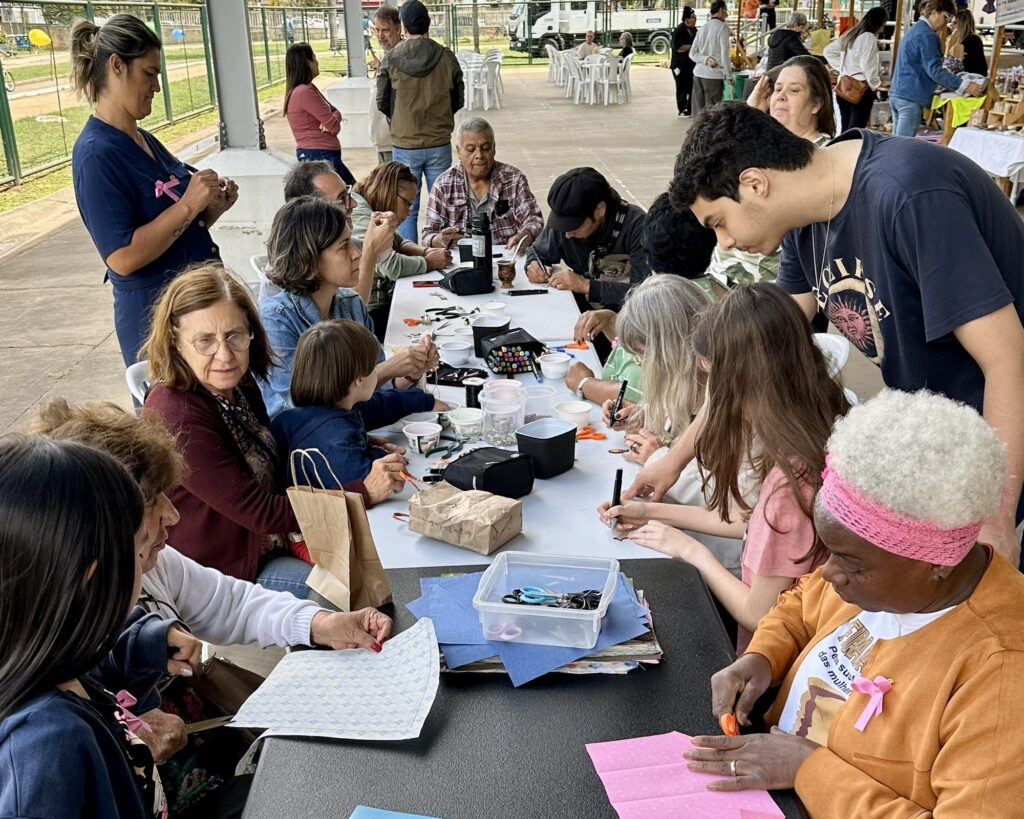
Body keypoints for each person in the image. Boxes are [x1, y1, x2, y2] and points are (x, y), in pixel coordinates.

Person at [661, 103, 1024, 565]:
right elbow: (757, 353)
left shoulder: (909, 194)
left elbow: (1009, 359)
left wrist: (995, 513)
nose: (725, 243)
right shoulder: (804, 221)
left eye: (719, 223)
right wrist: (672, 462)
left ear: (755, 184)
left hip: (1006, 441)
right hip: (945, 440)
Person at [28, 398, 395, 814]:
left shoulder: (143, 568)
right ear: (101, 529)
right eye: (153, 503)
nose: (172, 515)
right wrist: (129, 734)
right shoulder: (46, 731)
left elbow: (230, 602)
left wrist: (322, 623)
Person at [687, 390, 1024, 816]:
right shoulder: (882, 575)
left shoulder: (1003, 672)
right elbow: (801, 606)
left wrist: (808, 768)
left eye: (850, 562)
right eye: (829, 552)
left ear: (935, 564)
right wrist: (762, 656)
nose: (828, 574)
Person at [601, 285, 846, 650]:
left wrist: (689, 550)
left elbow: (758, 614)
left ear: (743, 385)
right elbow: (754, 524)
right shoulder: (816, 425)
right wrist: (650, 512)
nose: (711, 396)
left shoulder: (789, 482)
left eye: (714, 380)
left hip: (765, 656)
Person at [142, 265, 404, 590]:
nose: (224, 354)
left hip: (277, 538)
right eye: (205, 340)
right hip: (225, 571)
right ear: (175, 342)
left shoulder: (237, 383)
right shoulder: (177, 416)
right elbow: (263, 513)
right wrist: (363, 491)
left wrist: (355, 441)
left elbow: (274, 451)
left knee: (389, 554)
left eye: (235, 336)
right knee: (360, 589)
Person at [0, 436, 167, 818]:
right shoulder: (46, 745)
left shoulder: (46, 663)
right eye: (138, 550)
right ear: (93, 579)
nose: (144, 564)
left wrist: (147, 645)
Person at [70, 14, 237, 368]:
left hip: (195, 314)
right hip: (157, 320)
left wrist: (209, 209)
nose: (157, 87)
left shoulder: (143, 140)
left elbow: (171, 219)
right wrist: (190, 205)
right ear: (117, 66)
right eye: (149, 73)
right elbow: (122, 257)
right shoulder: (96, 154)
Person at [262, 195, 439, 418]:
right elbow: (301, 408)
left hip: (355, 426)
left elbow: (374, 391)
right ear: (310, 257)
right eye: (344, 246)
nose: (357, 254)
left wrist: (410, 370)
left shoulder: (351, 304)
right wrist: (389, 369)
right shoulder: (276, 321)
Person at [711, 57, 835, 289]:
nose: (781, 96)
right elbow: (712, 179)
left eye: (794, 90)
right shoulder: (758, 139)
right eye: (777, 89)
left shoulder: (826, 155)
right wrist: (747, 115)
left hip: (778, 288)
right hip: (722, 274)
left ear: (817, 103)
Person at [273, 320, 437, 488]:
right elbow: (365, 482)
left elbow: (381, 406)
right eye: (373, 367)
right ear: (359, 379)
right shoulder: (335, 438)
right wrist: (376, 453)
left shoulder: (320, 411)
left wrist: (426, 401)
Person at [376, 0, 464, 243]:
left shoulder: (391, 59)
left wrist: (400, 119)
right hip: (439, 143)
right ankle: (445, 256)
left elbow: (382, 100)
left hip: (405, 144)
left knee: (405, 210)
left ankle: (413, 261)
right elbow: (458, 98)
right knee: (444, 206)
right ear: (429, 23)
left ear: (403, 26)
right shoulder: (446, 57)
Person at [524, 167, 651, 313]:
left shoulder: (639, 227)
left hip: (625, 320)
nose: (567, 235)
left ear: (599, 210)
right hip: (582, 312)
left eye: (574, 225)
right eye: (562, 225)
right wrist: (534, 264)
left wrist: (586, 285)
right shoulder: (565, 223)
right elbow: (538, 251)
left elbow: (646, 294)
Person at [280, 159, 398, 307]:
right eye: (343, 199)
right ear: (312, 211)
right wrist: (371, 252)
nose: (354, 204)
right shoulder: (284, 274)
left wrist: (388, 231)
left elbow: (389, 256)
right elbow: (350, 318)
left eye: (349, 194)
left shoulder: (348, 241)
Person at [351, 163, 450, 338]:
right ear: (389, 191)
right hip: (371, 312)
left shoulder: (368, 205)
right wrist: (429, 262)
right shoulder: (360, 212)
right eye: (407, 203)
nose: (408, 211)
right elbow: (390, 265)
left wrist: (425, 251)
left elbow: (399, 241)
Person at [422, 118, 544, 254]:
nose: (479, 155)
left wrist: (524, 236)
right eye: (470, 149)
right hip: (460, 263)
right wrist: (440, 240)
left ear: (494, 148)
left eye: (485, 148)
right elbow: (428, 235)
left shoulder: (514, 179)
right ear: (458, 152)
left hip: (506, 260)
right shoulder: (443, 185)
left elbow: (534, 220)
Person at [889, 0, 982, 136]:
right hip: (910, 96)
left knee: (895, 144)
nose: (946, 23)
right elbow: (935, 70)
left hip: (899, 93)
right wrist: (964, 85)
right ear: (934, 13)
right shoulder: (927, 35)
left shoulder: (915, 30)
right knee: (902, 147)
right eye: (945, 17)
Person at [284, 42, 355, 185]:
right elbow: (334, 127)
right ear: (307, 63)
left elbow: (336, 112)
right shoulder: (304, 92)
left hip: (322, 153)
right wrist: (333, 118)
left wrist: (333, 117)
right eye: (314, 58)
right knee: (349, 194)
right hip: (319, 154)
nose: (317, 62)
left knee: (350, 192)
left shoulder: (309, 88)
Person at [824, 7, 887, 132]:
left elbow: (828, 51)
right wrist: (878, 84)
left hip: (843, 87)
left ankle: (840, 151)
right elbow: (867, 66)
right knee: (855, 132)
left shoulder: (851, 33)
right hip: (860, 89)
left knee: (845, 130)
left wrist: (844, 69)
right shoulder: (869, 37)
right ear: (879, 23)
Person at [369, 5, 402, 164]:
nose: (380, 35)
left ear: (398, 29)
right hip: (384, 138)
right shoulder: (389, 54)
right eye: (377, 30)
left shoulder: (403, 54)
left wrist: (382, 68)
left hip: (394, 139)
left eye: (385, 30)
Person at [689, 0, 733, 116]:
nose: (727, 14)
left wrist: (705, 59)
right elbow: (724, 54)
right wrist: (729, 75)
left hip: (698, 74)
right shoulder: (723, 27)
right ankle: (710, 135)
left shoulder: (703, 27)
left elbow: (692, 53)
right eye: (726, 11)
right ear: (720, 10)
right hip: (713, 76)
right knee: (713, 113)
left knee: (698, 112)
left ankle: (696, 133)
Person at [671, 8, 699, 117]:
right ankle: (682, 109)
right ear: (687, 19)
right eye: (693, 17)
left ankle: (690, 108)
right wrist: (690, 47)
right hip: (680, 65)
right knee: (681, 86)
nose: (695, 20)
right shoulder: (680, 30)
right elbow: (678, 47)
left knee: (691, 86)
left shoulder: (694, 30)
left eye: (695, 17)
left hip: (691, 64)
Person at [948, 8, 987, 75]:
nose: (951, 25)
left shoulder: (972, 40)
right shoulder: (959, 40)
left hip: (971, 80)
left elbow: (964, 66)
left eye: (955, 23)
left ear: (964, 24)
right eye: (951, 22)